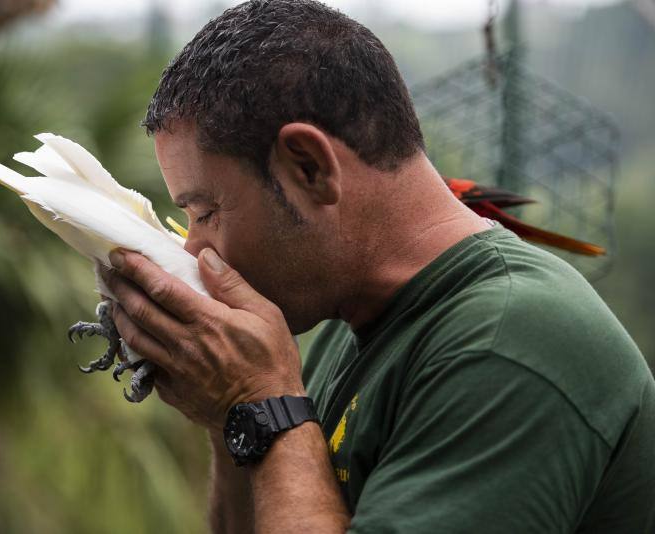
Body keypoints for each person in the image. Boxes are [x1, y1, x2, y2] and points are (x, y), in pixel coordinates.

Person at [99, 0, 655, 532]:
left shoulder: (512, 340)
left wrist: (260, 402)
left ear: (310, 167)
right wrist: (233, 417)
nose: (197, 249)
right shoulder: (349, 319)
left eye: (206, 210)